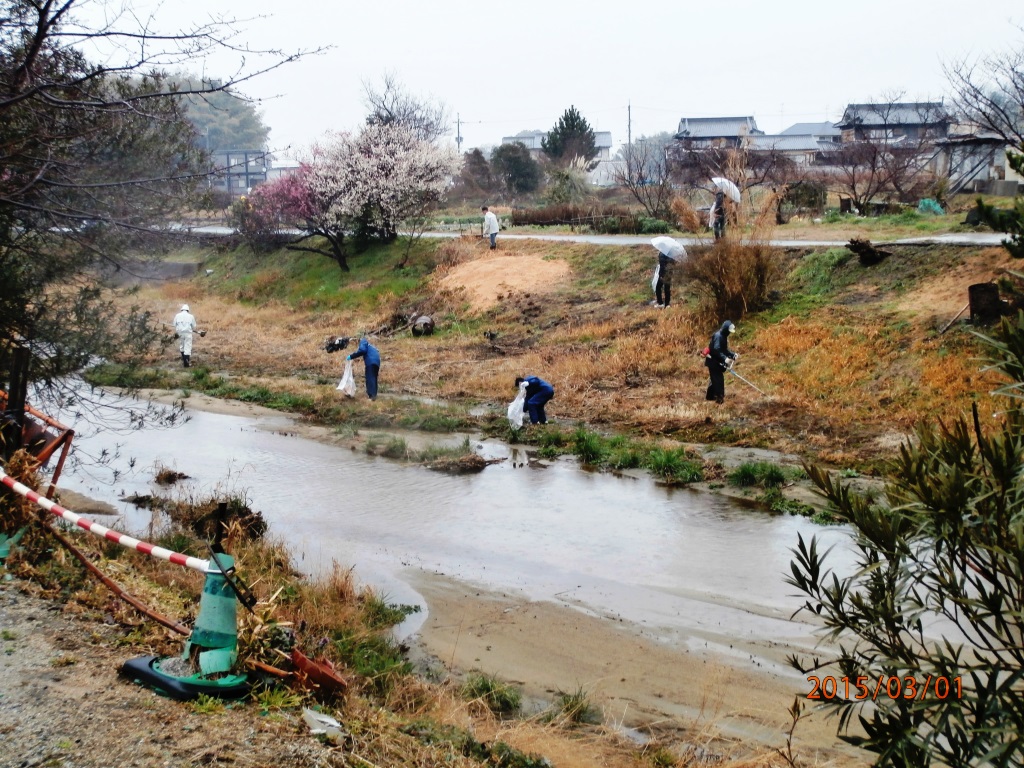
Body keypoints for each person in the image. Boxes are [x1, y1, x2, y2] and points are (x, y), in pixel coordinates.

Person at [704, 320, 738, 404]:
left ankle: (710, 396)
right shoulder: (718, 336)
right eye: (729, 331)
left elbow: (724, 350)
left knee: (714, 379)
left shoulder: (723, 336)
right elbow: (716, 349)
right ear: (726, 329)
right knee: (718, 380)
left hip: (716, 362)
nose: (729, 333)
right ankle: (720, 399)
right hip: (713, 362)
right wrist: (725, 359)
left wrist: (732, 355)